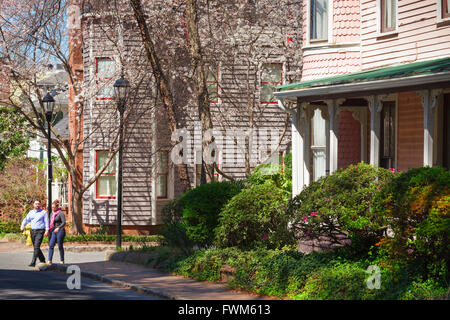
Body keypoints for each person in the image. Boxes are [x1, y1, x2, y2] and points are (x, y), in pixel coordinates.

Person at [20, 200, 49, 267]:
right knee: (36, 247)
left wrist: (47, 230)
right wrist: (22, 225)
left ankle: (33, 262)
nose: (37, 205)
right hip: (32, 231)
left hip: (40, 231)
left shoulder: (43, 213)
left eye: (38, 204)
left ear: (40, 205)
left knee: (36, 246)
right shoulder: (31, 212)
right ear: (33, 205)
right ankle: (42, 259)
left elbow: (46, 222)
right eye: (36, 204)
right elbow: (26, 219)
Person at [47, 199, 66, 265]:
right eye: (52, 207)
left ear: (57, 207)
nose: (52, 208)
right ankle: (49, 260)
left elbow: (64, 222)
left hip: (60, 230)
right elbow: (50, 222)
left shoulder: (60, 213)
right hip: (53, 231)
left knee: (60, 245)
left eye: (53, 207)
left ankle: (62, 260)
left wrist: (58, 228)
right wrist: (48, 230)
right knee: (51, 245)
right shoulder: (51, 213)